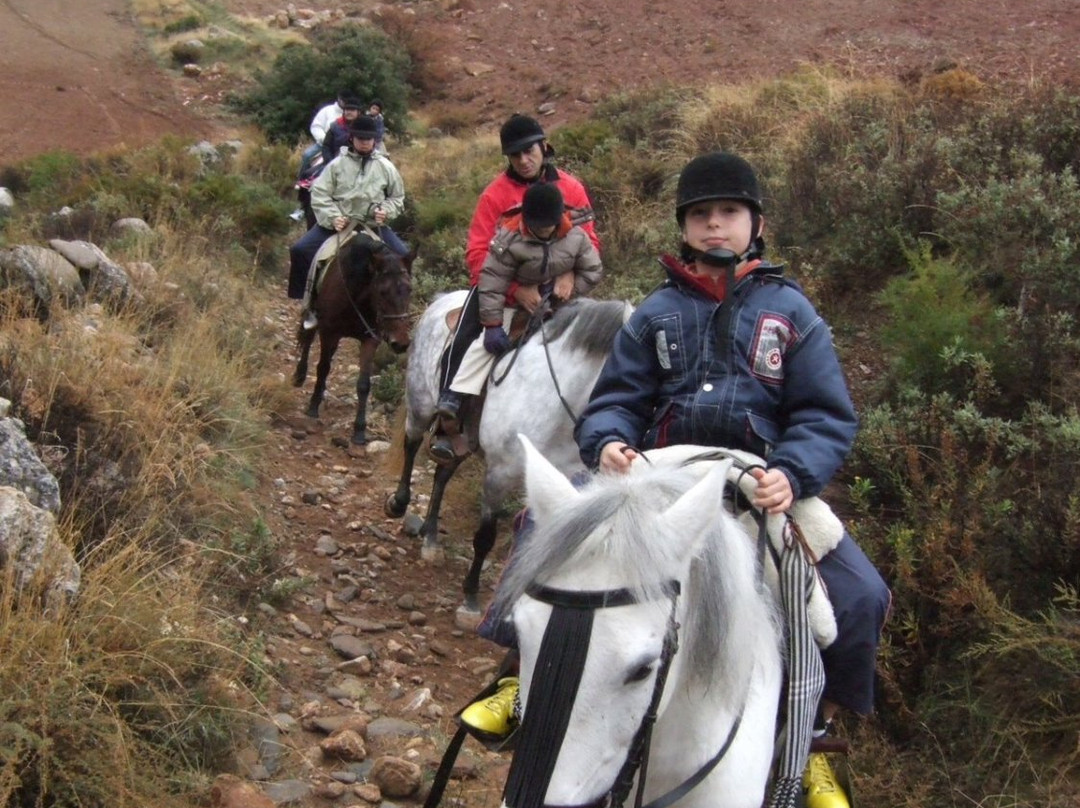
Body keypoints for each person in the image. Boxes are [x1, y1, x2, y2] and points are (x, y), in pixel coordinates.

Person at [466, 153, 891, 808]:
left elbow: (825, 414)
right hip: (658, 473)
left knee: (860, 593)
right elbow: (617, 400)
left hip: (760, 483)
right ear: (684, 227)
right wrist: (607, 441)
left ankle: (815, 739)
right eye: (700, 215)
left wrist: (793, 472)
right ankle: (516, 679)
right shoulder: (655, 313)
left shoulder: (794, 316)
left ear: (757, 223)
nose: (714, 226)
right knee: (540, 528)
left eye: (728, 213)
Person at [429, 114, 601, 460]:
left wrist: (570, 277)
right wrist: (513, 292)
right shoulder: (495, 195)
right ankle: (450, 419)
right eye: (515, 155)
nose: (524, 160)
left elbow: (589, 241)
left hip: (559, 288)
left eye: (529, 151)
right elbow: (478, 253)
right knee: (465, 335)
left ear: (543, 146)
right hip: (504, 283)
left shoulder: (572, 189)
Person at [287, 115, 408, 311]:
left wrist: (386, 212)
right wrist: (333, 217)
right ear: (352, 138)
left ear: (374, 141)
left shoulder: (386, 167)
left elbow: (397, 197)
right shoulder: (336, 165)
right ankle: (306, 305)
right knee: (300, 250)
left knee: (403, 256)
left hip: (372, 225)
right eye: (360, 139)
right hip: (340, 223)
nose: (364, 143)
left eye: (368, 139)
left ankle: (399, 312)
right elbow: (319, 194)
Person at [321, 96, 363, 164]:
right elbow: (326, 146)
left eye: (352, 110)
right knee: (307, 173)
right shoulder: (335, 126)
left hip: (358, 163)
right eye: (347, 109)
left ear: (358, 112)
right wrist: (330, 162)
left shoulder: (364, 127)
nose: (349, 112)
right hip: (335, 161)